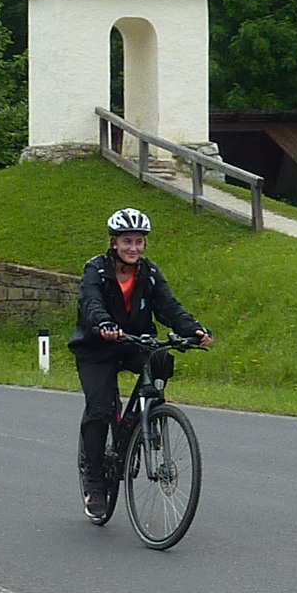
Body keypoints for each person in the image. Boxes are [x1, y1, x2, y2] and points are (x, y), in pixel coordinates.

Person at [69, 208, 213, 520]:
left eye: (138, 242)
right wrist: (103, 323)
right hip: (97, 347)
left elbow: (169, 307)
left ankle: (146, 416)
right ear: (114, 243)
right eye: (127, 241)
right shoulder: (96, 269)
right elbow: (90, 302)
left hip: (135, 342)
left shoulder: (149, 273)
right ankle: (95, 483)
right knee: (99, 410)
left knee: (161, 358)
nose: (133, 248)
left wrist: (195, 330)